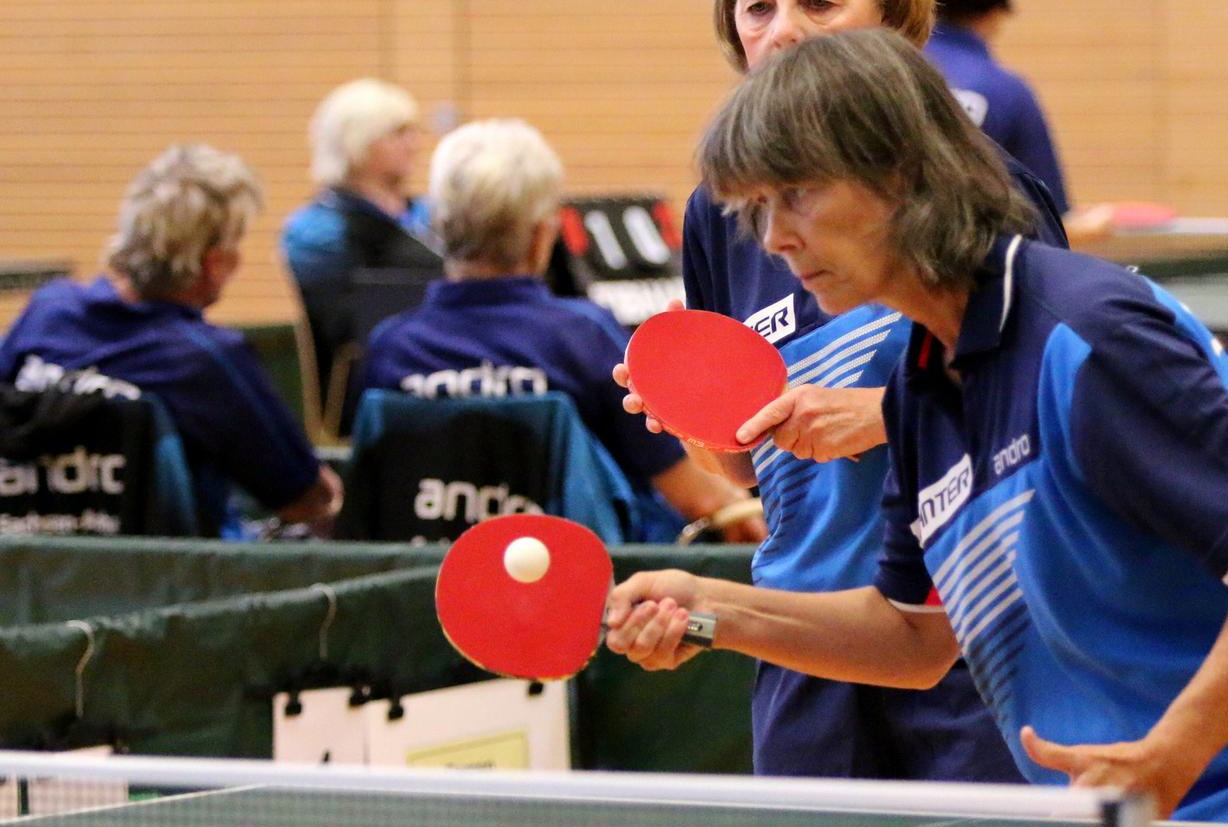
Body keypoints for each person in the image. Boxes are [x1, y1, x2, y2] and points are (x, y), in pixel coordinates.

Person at [606, 29, 1228, 827]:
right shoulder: (923, 387)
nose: (776, 239)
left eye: (799, 193)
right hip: (1142, 797)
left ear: (900, 171)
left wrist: (1171, 755)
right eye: (760, 208)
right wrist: (711, 607)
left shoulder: (1086, 336)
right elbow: (914, 639)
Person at [618, 0, 1074, 783]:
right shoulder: (720, 211)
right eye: (757, 7)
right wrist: (702, 420)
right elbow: (751, 470)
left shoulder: (989, 195)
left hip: (974, 643)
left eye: (817, 3)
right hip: (804, 641)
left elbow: (1054, 420)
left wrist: (880, 414)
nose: (781, 31)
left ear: (892, 13)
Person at [357, 118, 765, 544]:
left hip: (424, 575)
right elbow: (699, 498)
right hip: (584, 576)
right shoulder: (583, 336)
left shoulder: (391, 347)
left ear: (439, 229)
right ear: (542, 236)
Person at [0, 144, 343, 538]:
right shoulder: (206, 359)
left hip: (28, 561)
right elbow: (303, 498)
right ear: (215, 262)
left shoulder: (48, 311)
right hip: (168, 568)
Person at [926, 0, 1114, 245]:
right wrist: (1094, 227)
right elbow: (1049, 228)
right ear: (1002, 3)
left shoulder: (887, 72)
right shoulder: (1008, 94)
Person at [281, 78, 443, 433]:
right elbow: (345, 324)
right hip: (367, 396)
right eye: (397, 133)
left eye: (413, 131)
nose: (414, 144)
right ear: (355, 143)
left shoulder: (430, 213)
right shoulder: (317, 230)